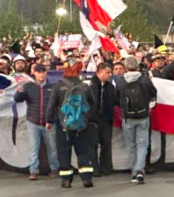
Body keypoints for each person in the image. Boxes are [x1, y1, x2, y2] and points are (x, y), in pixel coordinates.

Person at [46, 60, 97, 189]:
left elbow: (52, 105)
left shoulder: (59, 86)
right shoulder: (84, 86)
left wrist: (49, 120)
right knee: (83, 151)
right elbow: (92, 103)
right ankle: (86, 178)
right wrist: (89, 119)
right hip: (82, 126)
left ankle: (66, 180)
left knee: (64, 152)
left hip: (63, 125)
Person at [115, 57, 157, 184]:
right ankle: (139, 170)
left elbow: (117, 97)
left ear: (126, 67)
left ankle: (134, 170)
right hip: (143, 115)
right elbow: (153, 92)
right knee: (142, 144)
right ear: (138, 66)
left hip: (127, 117)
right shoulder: (144, 80)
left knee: (131, 145)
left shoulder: (121, 81)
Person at [14, 64, 58, 180]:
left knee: (52, 147)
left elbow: (56, 104)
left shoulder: (53, 86)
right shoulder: (28, 86)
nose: (41, 74)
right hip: (33, 122)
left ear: (46, 73)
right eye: (39, 72)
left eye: (43, 72)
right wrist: (19, 91)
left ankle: (54, 169)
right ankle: (33, 171)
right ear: (34, 73)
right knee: (34, 147)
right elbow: (18, 99)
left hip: (49, 122)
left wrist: (51, 119)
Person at [89, 63, 117, 176]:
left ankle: (106, 167)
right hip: (93, 120)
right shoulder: (90, 85)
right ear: (100, 72)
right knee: (93, 145)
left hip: (106, 120)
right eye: (108, 72)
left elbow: (114, 101)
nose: (110, 75)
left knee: (106, 144)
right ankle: (94, 168)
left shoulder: (110, 87)